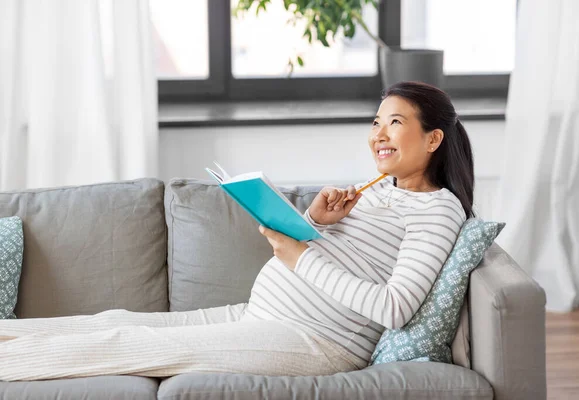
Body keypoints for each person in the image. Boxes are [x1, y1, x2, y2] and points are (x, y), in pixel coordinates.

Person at [0, 81, 474, 381]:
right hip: (260, 315)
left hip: (314, 341)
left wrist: (299, 257)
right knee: (114, 321)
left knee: (124, 345)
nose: (379, 134)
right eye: (376, 122)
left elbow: (393, 308)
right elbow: (347, 259)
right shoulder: (379, 190)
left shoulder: (438, 211)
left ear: (433, 139)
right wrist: (314, 223)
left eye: (395, 122)